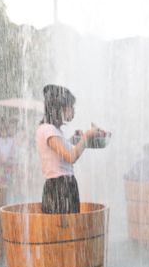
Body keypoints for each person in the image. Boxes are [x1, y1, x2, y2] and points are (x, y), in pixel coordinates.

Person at [36, 84, 109, 214]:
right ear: (60, 108)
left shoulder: (54, 130)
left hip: (64, 185)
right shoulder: (48, 129)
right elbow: (70, 157)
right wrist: (86, 136)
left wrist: (76, 140)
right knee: (63, 229)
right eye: (71, 106)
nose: (73, 110)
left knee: (68, 228)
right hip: (59, 187)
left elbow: (57, 155)